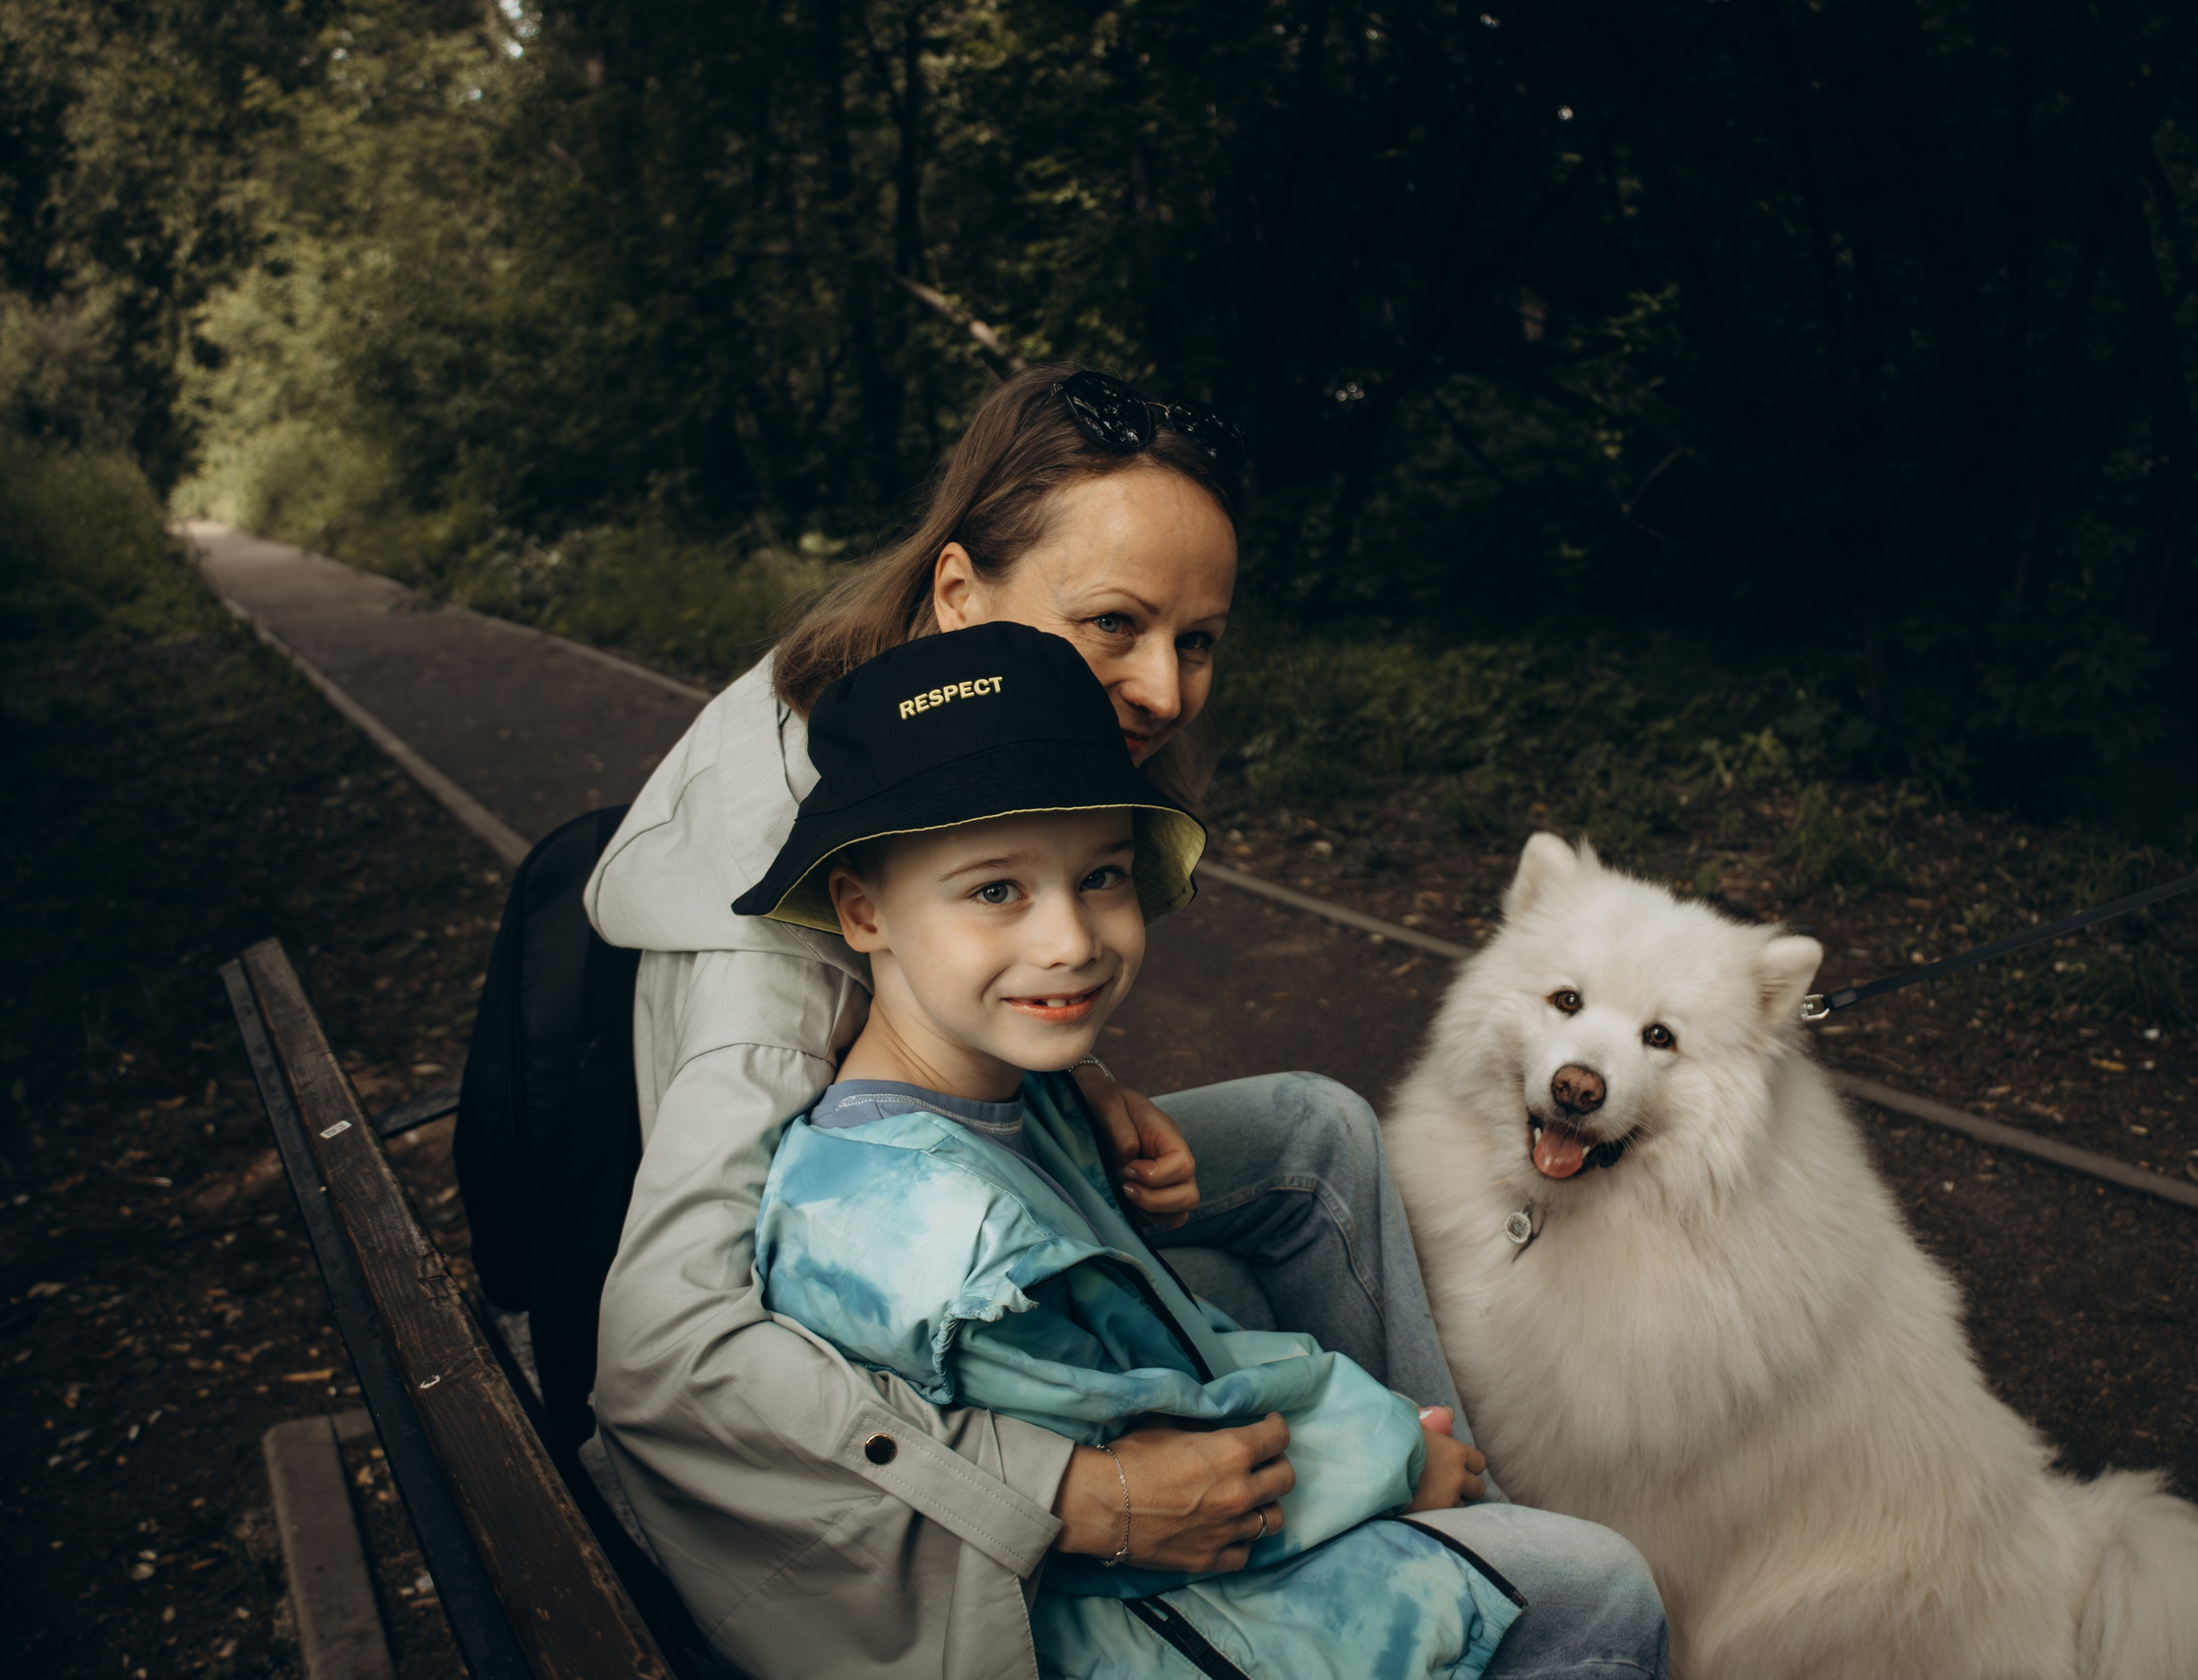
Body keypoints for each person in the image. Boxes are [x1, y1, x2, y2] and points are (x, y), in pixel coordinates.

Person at [585, 367, 1667, 1679]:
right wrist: (1079, 1492)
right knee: (1574, 1575)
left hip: (938, 1212)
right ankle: (1453, 1522)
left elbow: (954, 967)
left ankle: (1447, 1492)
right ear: (959, 595)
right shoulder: (768, 976)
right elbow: (664, 1356)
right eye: (1113, 623)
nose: (1162, 689)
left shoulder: (876, 699)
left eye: (1196, 639)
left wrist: (1065, 1077)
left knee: (1307, 1140)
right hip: (878, 1454)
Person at [742, 619, 1520, 1677]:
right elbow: (1159, 1489)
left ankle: (1471, 1498)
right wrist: (1397, 1457)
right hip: (1128, 1629)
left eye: (1102, 876)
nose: (1070, 940)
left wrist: (1385, 1434)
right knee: (1600, 1588)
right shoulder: (951, 1246)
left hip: (1186, 1557)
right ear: (861, 909)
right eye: (996, 890)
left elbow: (1180, 1370)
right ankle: (1477, 1503)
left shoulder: (1002, 1094)